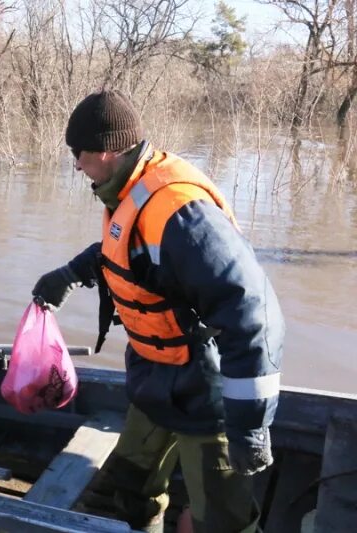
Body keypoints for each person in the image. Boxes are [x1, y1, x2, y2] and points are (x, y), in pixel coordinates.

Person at [32, 90, 284, 533]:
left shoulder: (180, 210)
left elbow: (250, 310)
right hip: (155, 377)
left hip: (206, 390)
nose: (75, 165)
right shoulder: (129, 189)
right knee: (131, 488)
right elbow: (130, 252)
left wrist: (250, 425)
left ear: (107, 150)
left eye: (79, 153)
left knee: (221, 522)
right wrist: (72, 272)